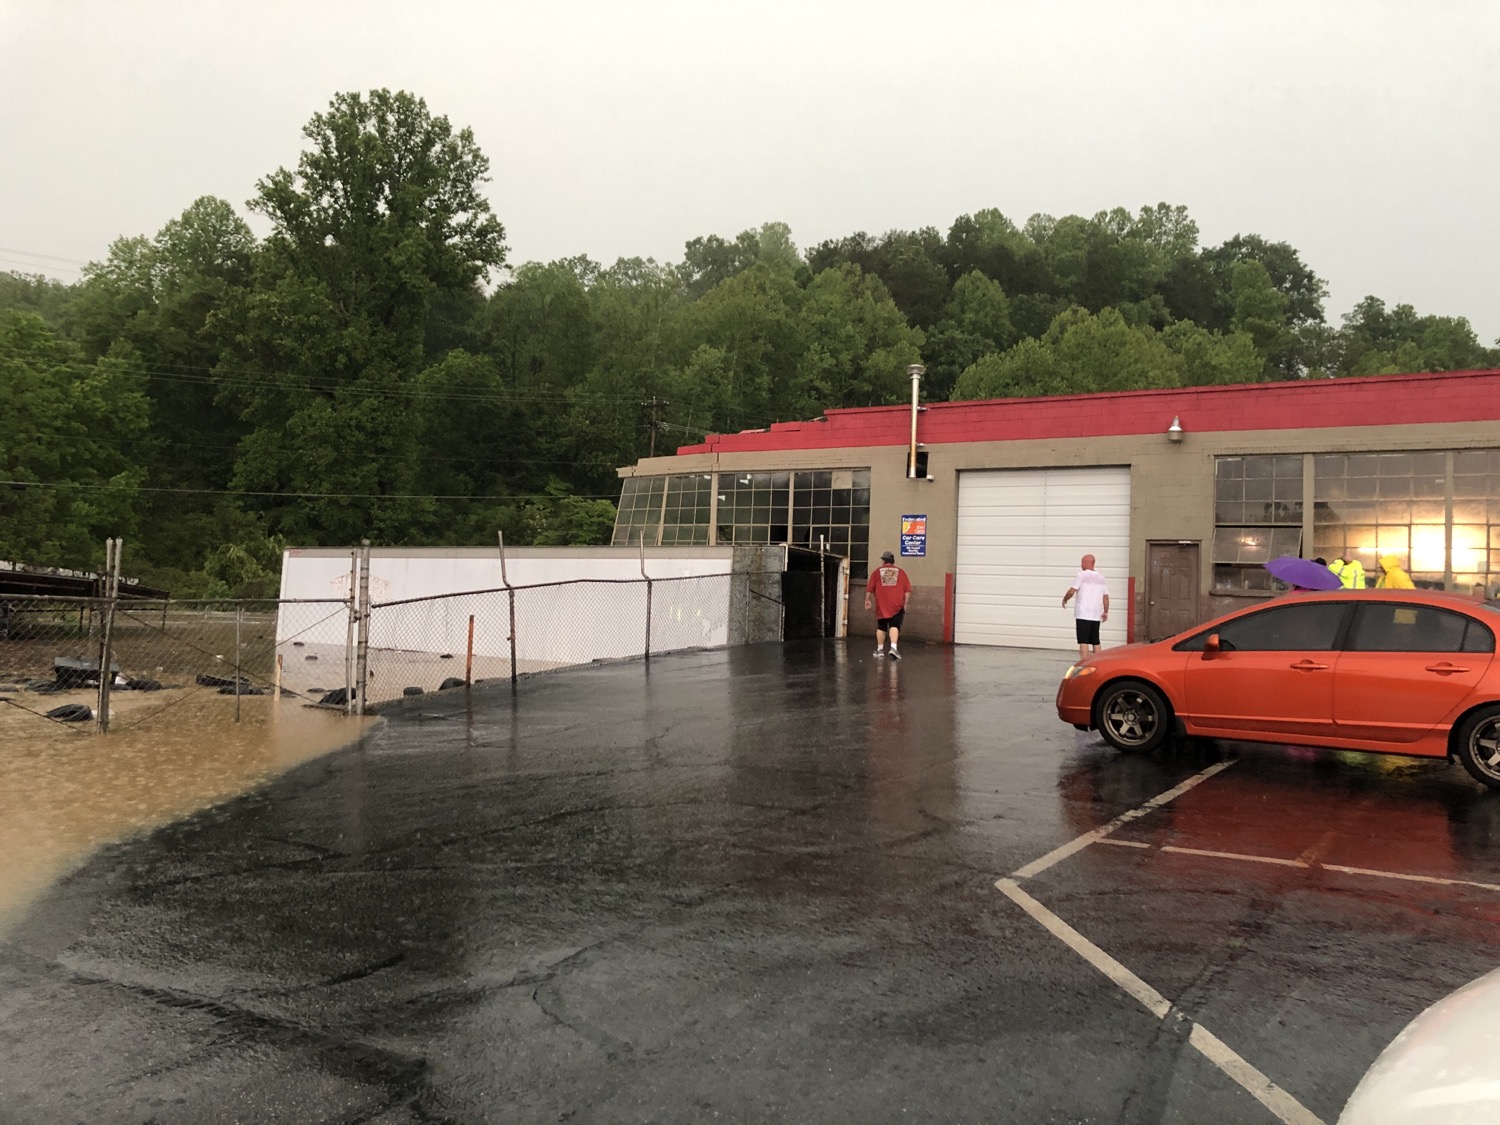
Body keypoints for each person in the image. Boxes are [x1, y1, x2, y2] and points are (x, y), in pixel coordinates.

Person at [864, 550, 912, 659]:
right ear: (893, 560)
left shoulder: (877, 572)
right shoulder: (901, 572)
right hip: (897, 604)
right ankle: (893, 648)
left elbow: (870, 588)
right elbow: (907, 590)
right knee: (894, 625)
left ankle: (880, 650)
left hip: (882, 604)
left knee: (881, 627)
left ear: (883, 561)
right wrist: (905, 604)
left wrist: (867, 599)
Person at [1062, 554, 1110, 661]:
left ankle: (1084, 662)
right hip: (1096, 614)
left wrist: (1065, 599)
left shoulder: (1081, 575)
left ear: (1086, 563)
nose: (1081, 565)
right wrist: (1105, 611)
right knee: (1095, 640)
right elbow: (1106, 597)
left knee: (1083, 640)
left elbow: (1072, 591)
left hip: (1083, 613)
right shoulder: (1101, 578)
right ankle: (1099, 662)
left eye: (1082, 562)